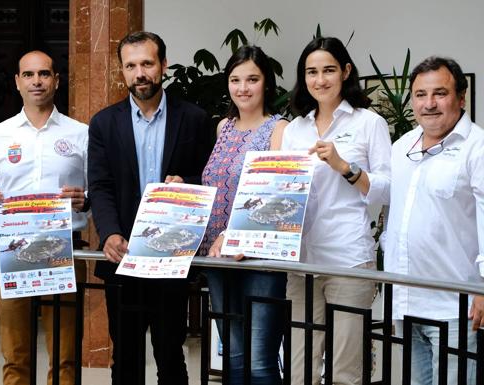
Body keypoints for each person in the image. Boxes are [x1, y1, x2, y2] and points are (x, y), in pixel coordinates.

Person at [87, 31, 211, 385]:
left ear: (163, 66)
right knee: (124, 358)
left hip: (172, 259)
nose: (139, 73)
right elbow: (101, 185)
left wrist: (187, 185)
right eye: (130, 65)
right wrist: (109, 232)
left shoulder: (195, 119)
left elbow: (207, 178)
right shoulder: (104, 123)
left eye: (147, 63)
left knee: (171, 355)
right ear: (121, 71)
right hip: (122, 258)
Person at [0, 50, 89, 385]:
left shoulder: (80, 133)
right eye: (28, 74)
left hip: (64, 250)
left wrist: (86, 199)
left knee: (66, 357)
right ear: (17, 82)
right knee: (14, 355)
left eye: (44, 74)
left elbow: (97, 190)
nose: (37, 81)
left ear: (56, 80)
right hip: (12, 249)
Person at [280, 37, 391, 385]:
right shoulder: (295, 128)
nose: (320, 80)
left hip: (348, 260)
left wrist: (345, 166)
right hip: (302, 262)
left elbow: (387, 188)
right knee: (299, 370)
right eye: (311, 72)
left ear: (345, 71)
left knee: (345, 371)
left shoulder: (368, 122)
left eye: (329, 70)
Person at [384, 56, 484, 385]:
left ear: (461, 97)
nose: (429, 104)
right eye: (420, 94)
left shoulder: (477, 147)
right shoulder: (401, 148)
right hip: (407, 300)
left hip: (456, 305)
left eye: (440, 93)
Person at [202, 45, 288, 385]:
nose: (243, 88)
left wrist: (234, 234)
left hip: (259, 255)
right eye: (235, 79)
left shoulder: (279, 129)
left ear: (266, 83)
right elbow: (214, 183)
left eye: (252, 79)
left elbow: (276, 194)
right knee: (233, 357)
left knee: (260, 360)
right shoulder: (222, 127)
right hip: (217, 258)